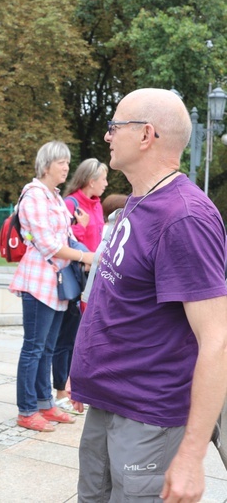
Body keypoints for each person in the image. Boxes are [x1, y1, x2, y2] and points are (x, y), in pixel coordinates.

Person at [70, 88, 227, 502]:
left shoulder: (185, 218)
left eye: (114, 126)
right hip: (108, 402)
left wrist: (191, 457)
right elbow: (114, 299)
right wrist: (84, 370)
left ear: (146, 135)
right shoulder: (141, 200)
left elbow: (217, 339)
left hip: (148, 418)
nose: (107, 137)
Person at [7, 141, 94, 433]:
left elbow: (67, 237)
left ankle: (44, 403)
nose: (66, 167)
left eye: (68, 162)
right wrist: (85, 256)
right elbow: (47, 244)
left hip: (56, 281)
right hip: (38, 279)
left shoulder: (54, 196)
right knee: (33, 348)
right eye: (61, 163)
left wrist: (83, 252)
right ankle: (26, 409)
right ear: (46, 165)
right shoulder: (34, 196)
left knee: (47, 347)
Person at [52, 157, 108, 414]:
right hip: (76, 276)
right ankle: (61, 389)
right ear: (90, 180)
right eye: (103, 179)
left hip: (93, 276)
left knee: (83, 336)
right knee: (67, 335)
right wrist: (82, 229)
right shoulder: (71, 204)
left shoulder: (96, 205)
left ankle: (78, 388)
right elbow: (67, 243)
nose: (106, 184)